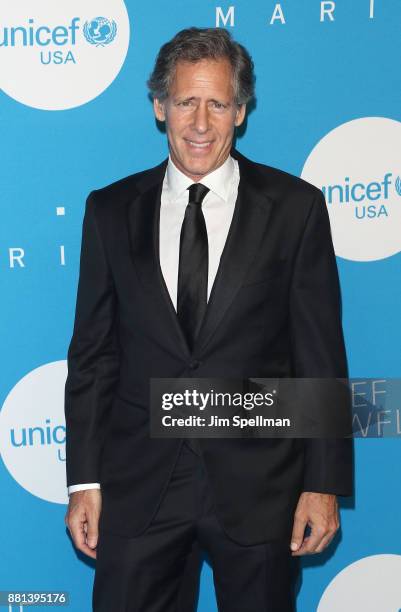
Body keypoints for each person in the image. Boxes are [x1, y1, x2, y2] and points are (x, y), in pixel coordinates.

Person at [64, 27, 353, 612]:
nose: (200, 123)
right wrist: (84, 481)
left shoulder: (295, 209)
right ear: (159, 106)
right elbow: (94, 355)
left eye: (217, 103)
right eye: (185, 102)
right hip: (139, 486)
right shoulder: (110, 211)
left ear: (241, 111)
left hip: (259, 487)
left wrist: (322, 484)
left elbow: (319, 355)